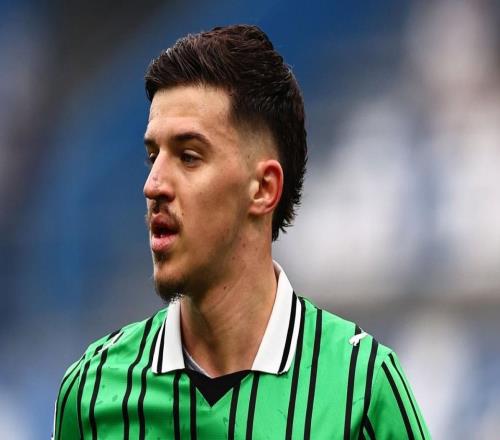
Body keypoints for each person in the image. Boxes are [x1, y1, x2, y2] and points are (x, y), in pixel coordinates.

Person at [52, 24, 430, 439]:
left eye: (189, 156)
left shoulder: (363, 387)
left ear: (263, 189)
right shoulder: (92, 391)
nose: (153, 185)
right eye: (153, 156)